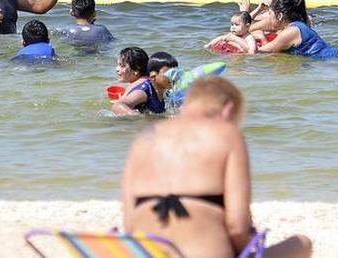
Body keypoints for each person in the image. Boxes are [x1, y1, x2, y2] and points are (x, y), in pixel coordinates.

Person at [122, 76, 313, 258]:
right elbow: (237, 228)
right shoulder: (227, 134)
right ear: (228, 110)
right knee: (302, 244)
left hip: (146, 254)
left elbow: (130, 225)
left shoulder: (143, 139)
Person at [256, 0, 338, 58]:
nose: (268, 18)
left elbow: (262, 51)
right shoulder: (298, 24)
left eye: (270, 14)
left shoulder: (290, 32)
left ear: (280, 16)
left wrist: (261, 36)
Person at [114, 49, 178, 115]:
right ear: (153, 76)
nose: (174, 77)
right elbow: (117, 106)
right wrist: (139, 118)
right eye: (169, 74)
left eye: (176, 73)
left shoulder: (161, 85)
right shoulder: (144, 91)